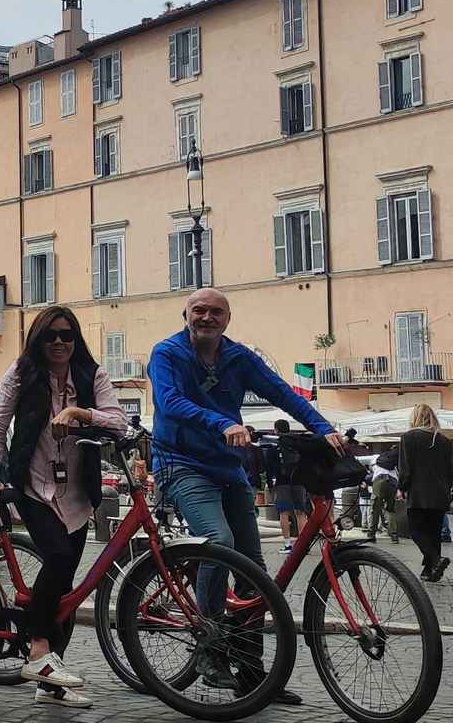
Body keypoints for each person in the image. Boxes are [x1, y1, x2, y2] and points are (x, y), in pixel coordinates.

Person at [148, 287, 341, 707]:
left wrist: (323, 427)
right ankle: (208, 646)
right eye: (199, 310)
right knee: (220, 543)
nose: (207, 317)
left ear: (228, 319)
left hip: (226, 465)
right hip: (179, 462)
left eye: (216, 311)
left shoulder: (238, 358)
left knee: (252, 569)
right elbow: (170, 402)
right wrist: (221, 422)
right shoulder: (167, 353)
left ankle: (253, 676)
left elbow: (282, 393)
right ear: (186, 314)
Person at [0, 306, 127, 709]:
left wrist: (80, 411)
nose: (60, 342)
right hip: (33, 485)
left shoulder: (90, 375)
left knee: (64, 590)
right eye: (51, 335)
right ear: (39, 340)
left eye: (67, 335)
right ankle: (38, 650)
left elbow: (119, 422)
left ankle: (52, 684)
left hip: (79, 493)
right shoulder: (21, 373)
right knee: (60, 557)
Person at [396, 403, 453, 582]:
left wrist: (402, 487)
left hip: (419, 491)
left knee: (416, 530)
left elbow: (405, 467)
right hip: (440, 492)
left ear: (414, 417)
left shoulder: (409, 437)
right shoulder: (444, 440)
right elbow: (450, 469)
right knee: (433, 532)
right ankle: (430, 570)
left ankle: (436, 560)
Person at [264, 418, 308, 553]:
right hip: (299, 480)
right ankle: (303, 544)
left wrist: (270, 483)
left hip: (282, 482)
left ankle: (288, 544)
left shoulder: (274, 444)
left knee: (284, 513)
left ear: (276, 429)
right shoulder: (296, 443)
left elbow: (269, 466)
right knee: (300, 512)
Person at [368, 446, 400, 543]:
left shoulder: (376, 457)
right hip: (393, 482)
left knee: (375, 508)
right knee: (390, 509)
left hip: (379, 481)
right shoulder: (395, 463)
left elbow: (368, 468)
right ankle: (394, 536)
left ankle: (371, 534)